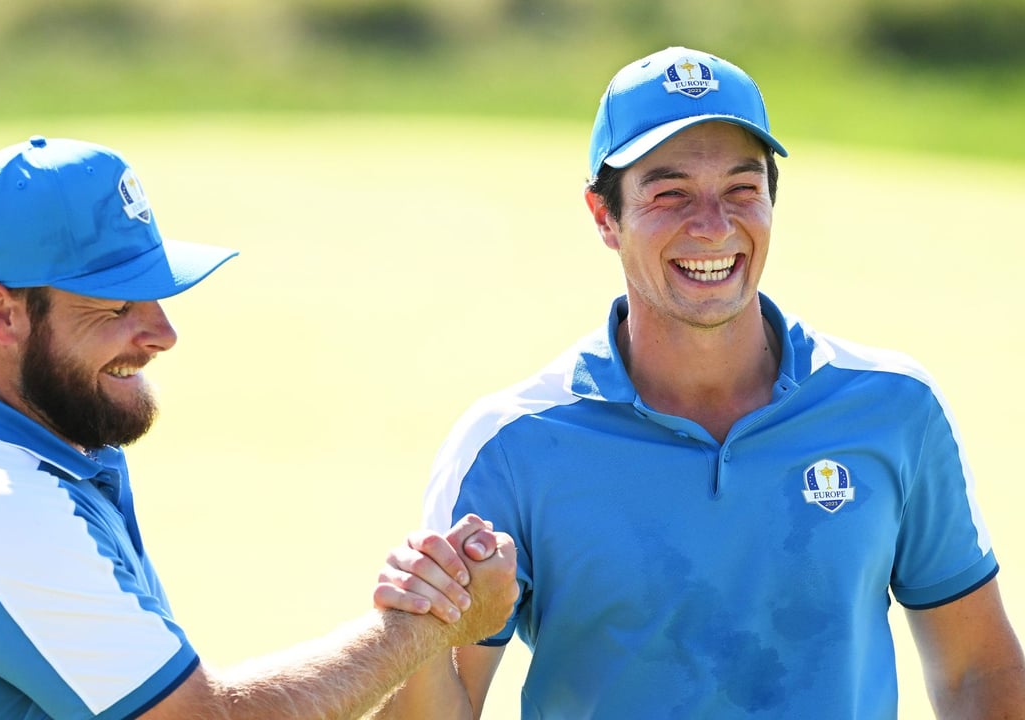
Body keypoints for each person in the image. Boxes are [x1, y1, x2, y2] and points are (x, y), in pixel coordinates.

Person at [373, 46, 1025, 718]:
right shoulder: (510, 445)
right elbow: (442, 706)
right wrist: (417, 625)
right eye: (670, 193)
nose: (713, 226)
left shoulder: (894, 408)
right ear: (604, 217)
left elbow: (978, 669)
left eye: (742, 189)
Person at [0, 135, 519, 719]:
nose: (163, 333)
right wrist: (424, 628)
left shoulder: (40, 459)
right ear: (2, 315)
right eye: (118, 304)